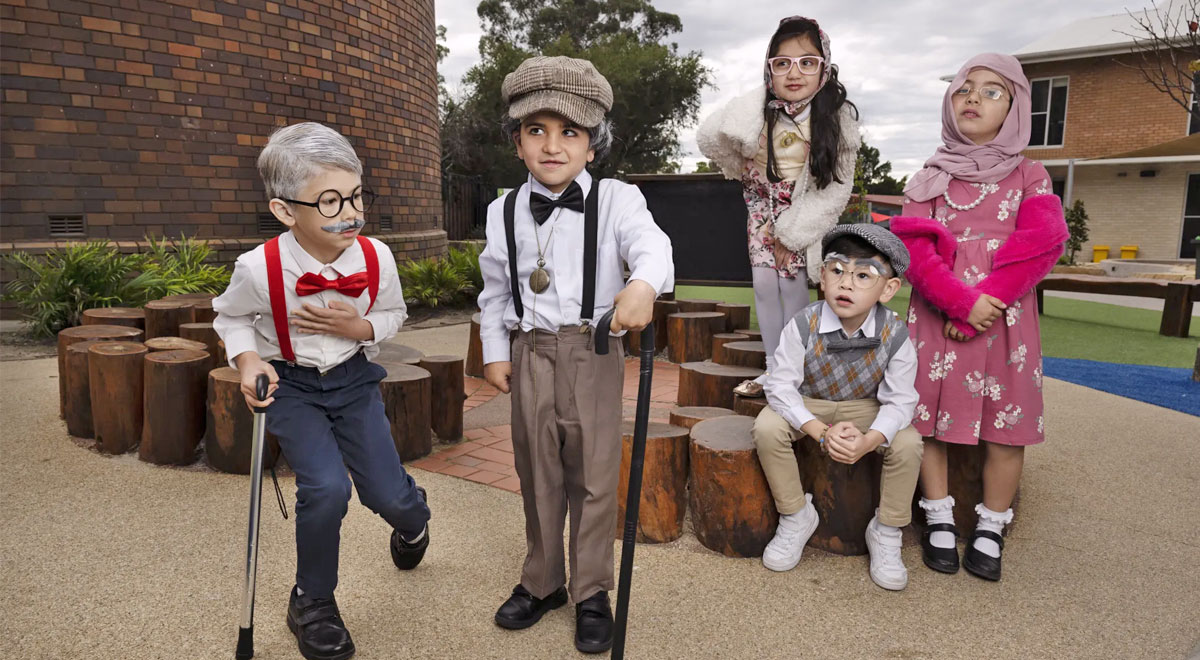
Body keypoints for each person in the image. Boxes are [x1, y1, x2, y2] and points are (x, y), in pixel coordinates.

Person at [476, 55, 674, 654]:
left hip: (593, 349)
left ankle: (592, 590)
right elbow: (494, 289)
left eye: (570, 132)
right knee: (537, 472)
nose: (553, 145)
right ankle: (543, 581)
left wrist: (642, 285)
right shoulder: (502, 210)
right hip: (530, 350)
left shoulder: (618, 199)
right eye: (536, 130)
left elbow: (653, 248)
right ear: (517, 142)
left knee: (592, 473)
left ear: (593, 145)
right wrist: (494, 349)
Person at [213, 122, 432, 660]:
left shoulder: (376, 257)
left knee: (388, 494)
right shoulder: (258, 268)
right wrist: (247, 360)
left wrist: (358, 328)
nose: (351, 213)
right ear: (286, 211)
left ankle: (412, 518)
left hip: (355, 380)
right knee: (327, 489)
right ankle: (312, 601)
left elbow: (392, 313)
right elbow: (231, 317)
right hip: (293, 387)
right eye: (330, 202)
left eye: (356, 196)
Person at [890, 53, 1068, 582]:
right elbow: (915, 250)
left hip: (1005, 318)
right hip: (937, 312)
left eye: (993, 91)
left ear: (1015, 111)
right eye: (965, 88)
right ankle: (938, 514)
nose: (973, 97)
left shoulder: (1030, 175)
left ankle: (991, 525)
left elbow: (1041, 243)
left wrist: (983, 304)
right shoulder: (929, 177)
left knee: (1005, 428)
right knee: (930, 422)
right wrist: (960, 303)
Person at [752, 223, 923, 591]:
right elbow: (781, 386)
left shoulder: (895, 334)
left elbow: (900, 400)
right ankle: (796, 514)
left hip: (866, 407)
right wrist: (821, 431)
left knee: (908, 443)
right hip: (811, 404)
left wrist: (869, 440)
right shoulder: (802, 324)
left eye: (864, 275)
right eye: (837, 270)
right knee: (767, 428)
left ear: (889, 288)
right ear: (823, 277)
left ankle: (888, 529)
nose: (846, 284)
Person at [697, 15, 860, 397]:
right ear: (768, 69)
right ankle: (773, 368)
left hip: (802, 211)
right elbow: (712, 136)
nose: (794, 72)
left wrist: (792, 232)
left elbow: (836, 187)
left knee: (792, 285)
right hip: (762, 209)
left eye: (807, 62)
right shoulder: (760, 110)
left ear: (825, 67)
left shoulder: (836, 117)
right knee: (764, 285)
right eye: (781, 62)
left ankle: (796, 370)